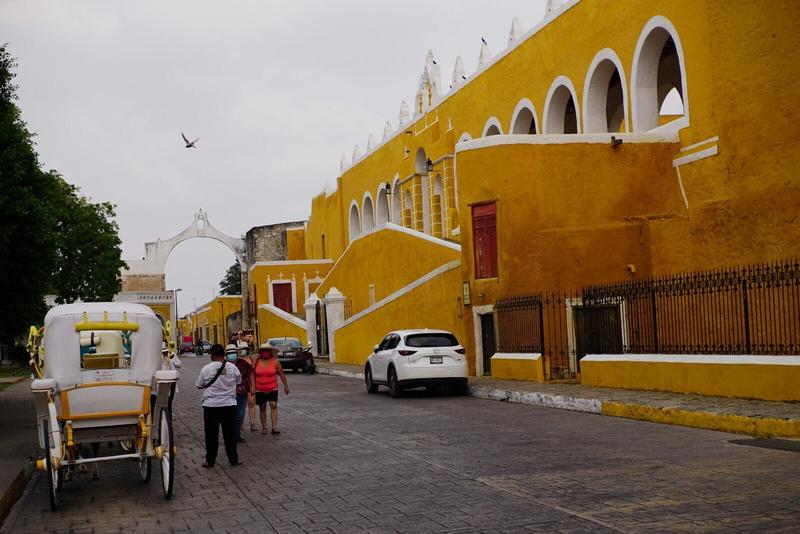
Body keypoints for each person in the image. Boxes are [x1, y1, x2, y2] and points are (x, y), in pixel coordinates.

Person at [195, 343, 242, 467]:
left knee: (211, 435)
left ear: (212, 355)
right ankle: (233, 459)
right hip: (229, 404)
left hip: (211, 406)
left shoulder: (206, 368)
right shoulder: (232, 367)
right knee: (230, 434)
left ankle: (210, 460)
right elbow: (239, 381)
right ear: (224, 355)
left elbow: (199, 385)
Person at [253, 343, 289, 435]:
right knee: (262, 407)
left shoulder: (275, 361)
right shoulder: (256, 361)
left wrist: (286, 386)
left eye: (267, 351)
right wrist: (252, 386)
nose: (265, 353)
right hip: (259, 388)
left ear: (270, 352)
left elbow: (281, 374)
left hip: (272, 387)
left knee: (273, 405)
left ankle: (274, 427)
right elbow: (252, 375)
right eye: (263, 351)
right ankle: (264, 428)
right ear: (261, 352)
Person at [228, 343, 254, 442]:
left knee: (240, 415)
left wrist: (252, 386)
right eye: (229, 353)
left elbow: (251, 372)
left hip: (242, 393)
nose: (232, 355)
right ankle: (232, 435)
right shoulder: (223, 365)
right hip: (229, 395)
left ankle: (236, 433)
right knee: (231, 416)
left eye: (233, 353)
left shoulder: (243, 363)